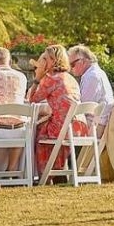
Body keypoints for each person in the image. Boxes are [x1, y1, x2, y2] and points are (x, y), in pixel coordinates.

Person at [28, 44, 89, 176]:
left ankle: (46, 175)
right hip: (79, 127)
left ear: (53, 60)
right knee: (49, 126)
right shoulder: (70, 78)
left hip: (65, 128)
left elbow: (31, 99)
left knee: (39, 133)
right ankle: (59, 174)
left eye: (45, 58)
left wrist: (37, 78)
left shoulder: (51, 79)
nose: (42, 62)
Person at [68, 44, 114, 137]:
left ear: (83, 61)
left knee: (55, 128)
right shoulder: (95, 73)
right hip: (98, 122)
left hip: (95, 126)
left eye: (72, 64)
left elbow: (83, 107)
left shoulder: (92, 76)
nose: (70, 68)